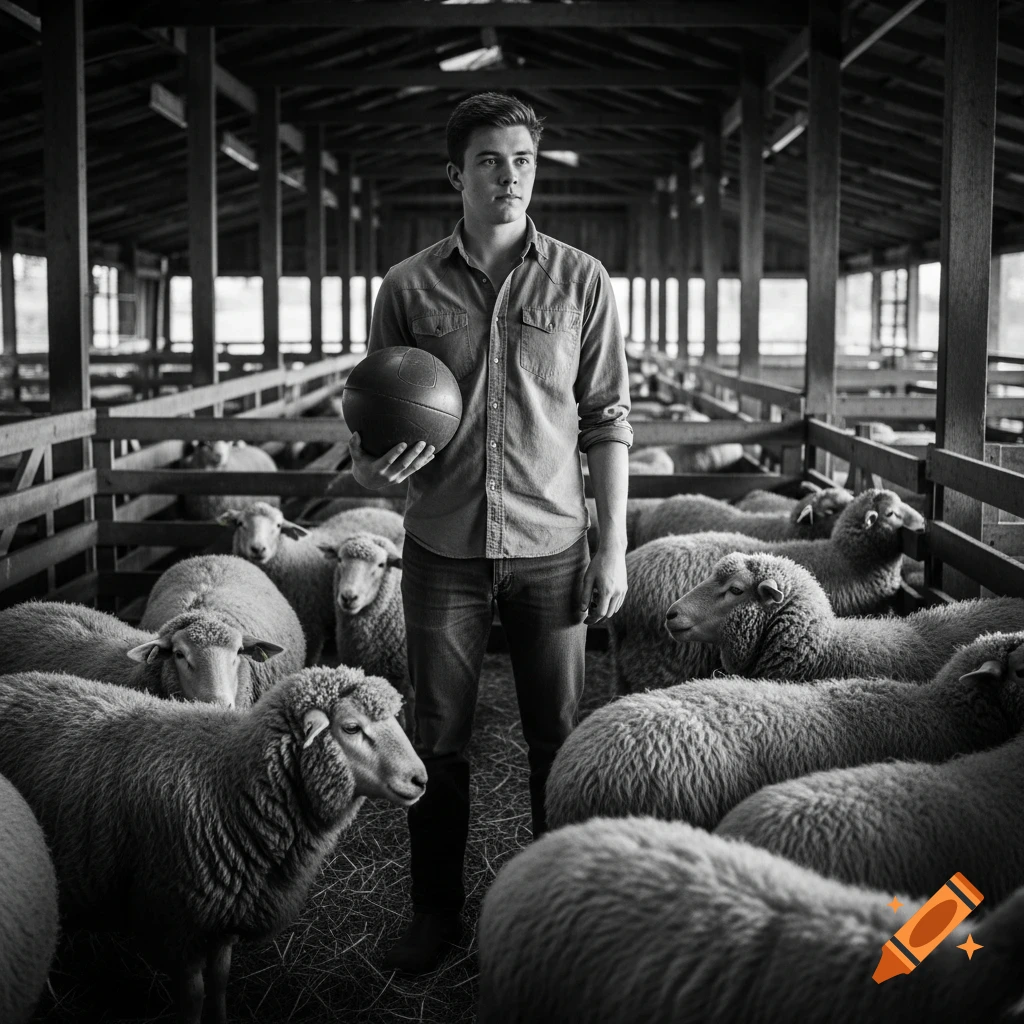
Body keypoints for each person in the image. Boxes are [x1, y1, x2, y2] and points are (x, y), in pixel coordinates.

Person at [348, 92, 632, 974]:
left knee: (559, 734)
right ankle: (436, 911)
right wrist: (370, 474)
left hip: (553, 544)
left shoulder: (582, 280)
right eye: (489, 161)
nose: (509, 176)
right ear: (455, 174)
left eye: (523, 160)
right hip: (442, 546)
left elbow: (608, 417)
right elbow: (366, 435)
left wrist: (613, 542)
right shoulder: (408, 286)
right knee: (438, 736)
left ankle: (558, 911)